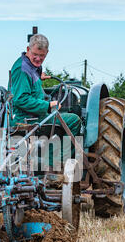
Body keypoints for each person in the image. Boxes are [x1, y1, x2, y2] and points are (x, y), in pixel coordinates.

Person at [9, 33, 81, 170]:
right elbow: (20, 99)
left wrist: (37, 76)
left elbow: (28, 85)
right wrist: (47, 105)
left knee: (58, 118)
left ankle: (49, 160)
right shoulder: (22, 69)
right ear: (28, 49)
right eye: (35, 54)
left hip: (33, 115)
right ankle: (56, 165)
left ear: (47, 53)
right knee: (73, 121)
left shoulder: (31, 66)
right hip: (25, 118)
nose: (38, 58)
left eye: (42, 56)